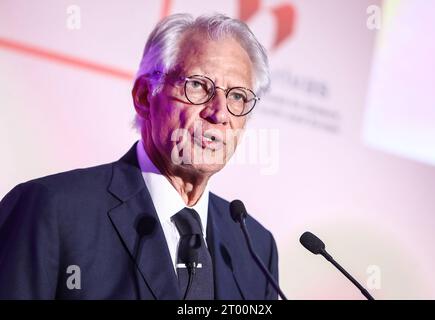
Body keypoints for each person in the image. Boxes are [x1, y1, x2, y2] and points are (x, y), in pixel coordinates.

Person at [0, 13, 278, 300]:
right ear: (145, 96)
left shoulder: (256, 248)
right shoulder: (52, 210)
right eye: (197, 85)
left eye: (237, 97)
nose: (219, 113)